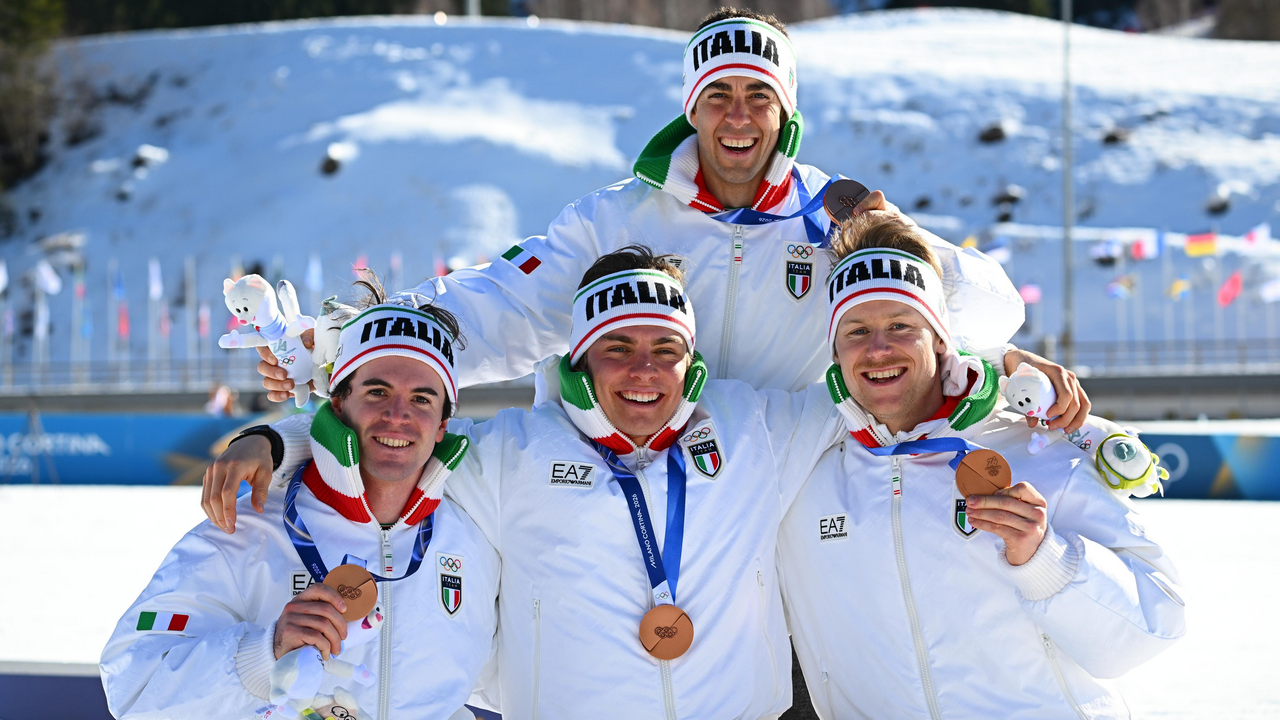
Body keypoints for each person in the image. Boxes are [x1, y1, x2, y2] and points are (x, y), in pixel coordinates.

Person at [243, 7, 1087, 498]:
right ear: (692, 109)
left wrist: (898, 237)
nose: (738, 116)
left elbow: (977, 308)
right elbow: (498, 308)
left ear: (785, 111)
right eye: (717, 96)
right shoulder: (616, 216)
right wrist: (353, 347)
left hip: (783, 494)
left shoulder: (835, 216)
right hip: (624, 486)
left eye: (759, 95)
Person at [212, 247, 845, 719]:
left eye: (666, 349)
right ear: (580, 358)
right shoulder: (513, 453)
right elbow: (393, 442)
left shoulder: (755, 430)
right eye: (617, 347)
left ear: (691, 360)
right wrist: (276, 438)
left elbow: (888, 395)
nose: (644, 370)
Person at [777, 214, 1186, 719]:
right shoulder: (801, 473)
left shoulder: (1040, 448)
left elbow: (1157, 624)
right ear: (835, 354)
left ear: (941, 338)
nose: (878, 349)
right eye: (856, 330)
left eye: (901, 326)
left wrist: (1046, 560)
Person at [100, 292, 500, 720]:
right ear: (340, 403)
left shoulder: (476, 539)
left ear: (443, 425)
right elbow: (134, 690)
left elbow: (518, 679)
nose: (397, 414)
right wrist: (263, 654)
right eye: (377, 391)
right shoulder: (243, 531)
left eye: (422, 398)